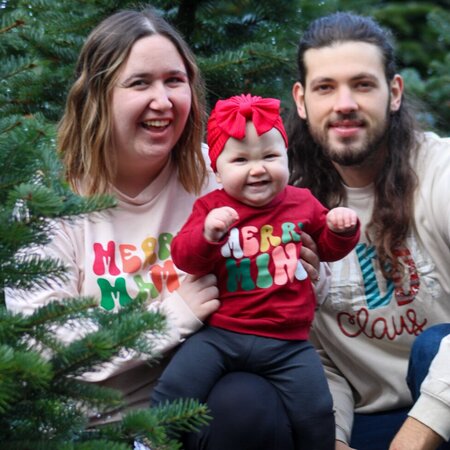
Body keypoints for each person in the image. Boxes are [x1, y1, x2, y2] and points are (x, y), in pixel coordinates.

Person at [4, 6, 318, 450]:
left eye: (174, 80)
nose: (163, 100)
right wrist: (171, 318)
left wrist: (295, 263)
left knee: (250, 403)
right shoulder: (48, 200)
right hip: (91, 429)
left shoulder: (217, 176)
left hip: (200, 405)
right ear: (98, 94)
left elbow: (284, 243)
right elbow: (42, 344)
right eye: (139, 83)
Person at [151, 93, 360, 450]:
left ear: (287, 157)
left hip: (288, 342)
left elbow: (325, 248)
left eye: (270, 156)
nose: (258, 168)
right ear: (217, 170)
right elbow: (185, 258)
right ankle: (150, 441)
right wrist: (207, 235)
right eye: (241, 160)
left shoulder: (301, 202)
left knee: (317, 410)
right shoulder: (211, 207)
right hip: (222, 335)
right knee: (175, 387)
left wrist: (341, 231)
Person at [286, 11, 450, 450]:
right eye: (326, 87)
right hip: (366, 420)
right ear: (301, 101)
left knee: (434, 345)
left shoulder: (441, 172)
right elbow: (315, 357)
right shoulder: (285, 204)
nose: (344, 104)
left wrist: (415, 438)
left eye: (362, 84)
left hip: (442, 409)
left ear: (393, 92)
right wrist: (334, 441)